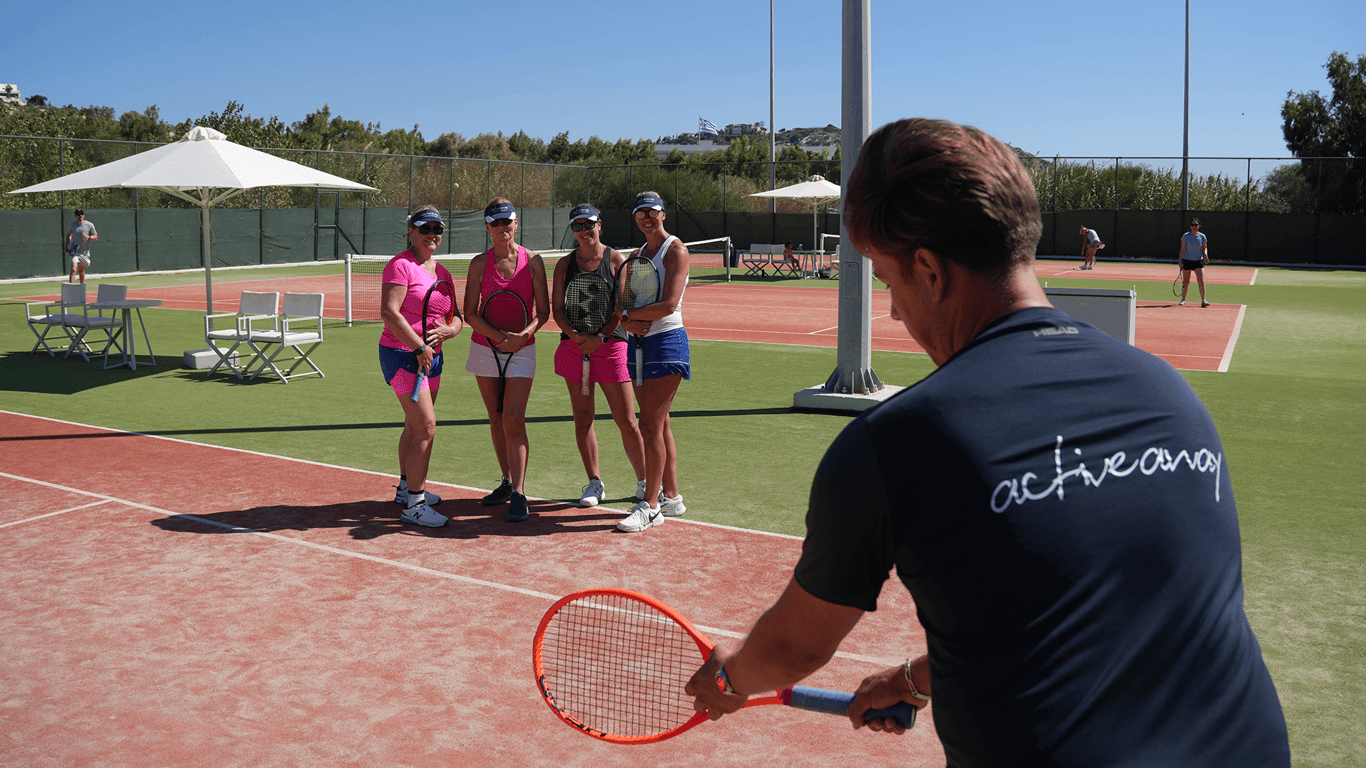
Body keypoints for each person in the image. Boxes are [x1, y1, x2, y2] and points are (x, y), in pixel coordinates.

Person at [685, 118, 1290, 767]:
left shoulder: (896, 443)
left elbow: (795, 649)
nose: (892, 311)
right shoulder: (1171, 394)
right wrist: (919, 679)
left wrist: (728, 679)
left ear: (929, 270)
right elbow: (1095, 606)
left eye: (889, 283)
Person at [550, 204, 648, 508]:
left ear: (599, 225)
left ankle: (646, 483)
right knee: (583, 418)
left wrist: (601, 337)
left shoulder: (616, 260)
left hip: (611, 347)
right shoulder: (565, 265)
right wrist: (579, 337)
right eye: (577, 226)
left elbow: (622, 307)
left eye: (588, 224)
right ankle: (594, 483)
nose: (584, 231)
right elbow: (558, 309)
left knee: (627, 421)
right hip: (574, 347)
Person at [464, 198, 550, 523]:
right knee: (496, 416)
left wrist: (521, 338)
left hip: (523, 348)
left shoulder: (534, 262)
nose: (502, 228)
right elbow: (469, 312)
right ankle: (506, 481)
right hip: (485, 348)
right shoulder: (478, 264)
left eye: (507, 222)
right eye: (495, 223)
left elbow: (544, 312)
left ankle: (520, 493)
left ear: (516, 223)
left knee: (513, 419)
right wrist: (499, 338)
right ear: (487, 227)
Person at [378, 206, 464, 528]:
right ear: (411, 231)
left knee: (415, 427)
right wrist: (418, 346)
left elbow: (456, 318)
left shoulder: (442, 273)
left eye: (436, 229)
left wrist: (449, 330)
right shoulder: (400, 266)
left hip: (432, 357)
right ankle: (415, 503)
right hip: (402, 354)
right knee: (426, 426)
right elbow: (389, 312)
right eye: (424, 228)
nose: (431, 235)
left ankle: (404, 488)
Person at [616, 191, 689, 533]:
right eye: (640, 213)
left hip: (666, 343)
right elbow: (625, 301)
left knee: (649, 425)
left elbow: (669, 304)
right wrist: (627, 322)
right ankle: (671, 497)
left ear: (663, 214)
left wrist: (629, 315)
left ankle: (651, 505)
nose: (647, 218)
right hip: (637, 344)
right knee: (658, 425)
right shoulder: (636, 255)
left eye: (652, 212)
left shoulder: (675, 250)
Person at [1178, 217, 1210, 307]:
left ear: (1199, 226)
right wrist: (1180, 259)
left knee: (1201, 281)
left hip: (1198, 261)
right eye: (1192, 225)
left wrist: (1205, 255)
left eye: (1196, 225)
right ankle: (1183, 299)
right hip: (1187, 261)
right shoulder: (1185, 236)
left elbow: (1204, 247)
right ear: (1190, 226)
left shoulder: (1202, 236)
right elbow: (1183, 249)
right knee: (1186, 282)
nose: (1194, 226)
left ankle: (1203, 300)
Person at [67, 209, 98, 284]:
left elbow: (96, 237)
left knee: (81, 270)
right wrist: (66, 246)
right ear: (75, 216)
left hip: (84, 252)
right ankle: (72, 288)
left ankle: (81, 286)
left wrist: (88, 236)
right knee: (74, 269)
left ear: (83, 215)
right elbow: (69, 235)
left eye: (81, 214)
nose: (80, 216)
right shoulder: (72, 225)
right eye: (78, 214)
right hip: (75, 250)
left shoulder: (89, 225)